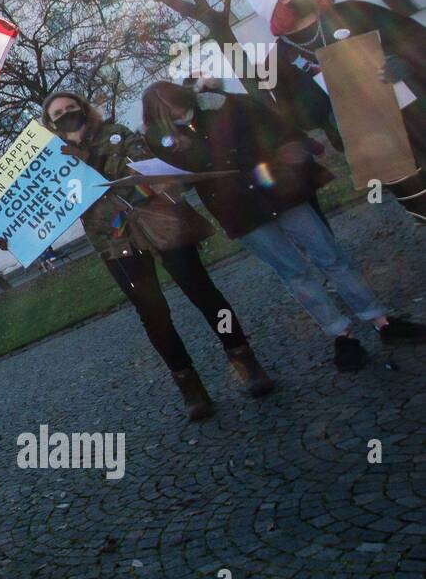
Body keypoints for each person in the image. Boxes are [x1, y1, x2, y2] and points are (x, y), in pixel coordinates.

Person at [141, 82, 426, 370]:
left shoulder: (227, 104)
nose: (171, 115)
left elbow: (273, 129)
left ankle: (380, 320)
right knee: (293, 272)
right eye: (162, 113)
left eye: (171, 107)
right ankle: (340, 333)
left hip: (278, 191)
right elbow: (184, 178)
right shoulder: (162, 139)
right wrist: (179, 162)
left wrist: (299, 151)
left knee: (330, 256)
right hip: (238, 211)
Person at [42, 92, 272, 420]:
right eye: (58, 114)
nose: (67, 115)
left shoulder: (116, 134)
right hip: (114, 243)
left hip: (158, 224)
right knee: (153, 315)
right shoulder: (54, 162)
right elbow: (49, 208)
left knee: (203, 292)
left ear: (83, 109)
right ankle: (189, 386)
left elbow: (145, 172)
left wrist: (102, 175)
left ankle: (245, 360)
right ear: (51, 124)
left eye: (70, 108)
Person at [241, 0, 426, 223]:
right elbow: (297, 116)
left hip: (417, 113)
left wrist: (405, 61)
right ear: (273, 10)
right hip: (377, 142)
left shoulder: (353, 11)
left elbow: (414, 36)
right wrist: (328, 108)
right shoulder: (278, 61)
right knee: (419, 199)